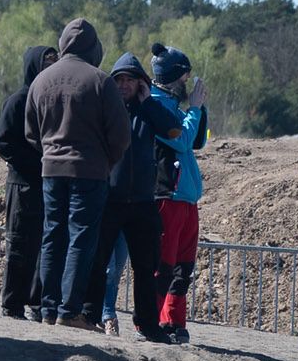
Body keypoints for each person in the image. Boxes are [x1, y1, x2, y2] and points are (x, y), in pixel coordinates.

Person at [24, 19, 130, 328]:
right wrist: (106, 161)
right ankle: (70, 311)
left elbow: (30, 131)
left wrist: (49, 154)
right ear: (93, 47)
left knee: (52, 235)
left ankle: (47, 309)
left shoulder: (41, 80)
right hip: (90, 170)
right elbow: (121, 134)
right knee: (80, 237)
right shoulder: (101, 81)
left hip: (51, 170)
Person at [82, 53, 182, 341]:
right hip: (110, 198)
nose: (124, 84)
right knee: (98, 261)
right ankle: (90, 315)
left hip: (142, 202)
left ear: (141, 83)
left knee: (146, 266)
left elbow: (173, 130)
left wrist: (148, 101)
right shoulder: (105, 108)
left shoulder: (149, 110)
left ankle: (148, 324)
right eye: (120, 80)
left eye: (130, 79)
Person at [150, 44, 210, 344]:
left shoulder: (172, 105)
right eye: (184, 78)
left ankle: (174, 320)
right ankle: (153, 320)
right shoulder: (155, 105)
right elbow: (182, 141)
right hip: (167, 197)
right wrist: (195, 108)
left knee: (183, 267)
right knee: (163, 264)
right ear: (173, 77)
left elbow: (197, 142)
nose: (187, 83)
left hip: (186, 199)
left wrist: (200, 109)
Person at [0, 45, 58, 319]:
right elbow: (3, 142)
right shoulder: (19, 100)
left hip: (45, 183)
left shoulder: (51, 100)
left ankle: (34, 300)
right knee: (20, 243)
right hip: (22, 184)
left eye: (55, 62)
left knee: (43, 244)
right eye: (46, 62)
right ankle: (12, 303)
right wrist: (36, 163)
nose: (51, 67)